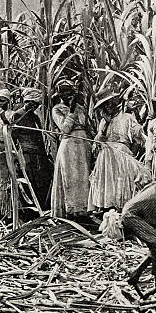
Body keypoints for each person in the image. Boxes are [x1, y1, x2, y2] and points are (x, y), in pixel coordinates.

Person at [88, 89, 150, 212]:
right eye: (105, 104)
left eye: (110, 102)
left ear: (115, 101)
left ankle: (122, 208)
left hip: (122, 155)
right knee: (106, 157)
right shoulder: (103, 122)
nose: (108, 106)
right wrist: (105, 124)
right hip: (106, 157)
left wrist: (139, 117)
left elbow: (139, 135)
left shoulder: (126, 117)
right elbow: (97, 143)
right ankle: (108, 208)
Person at [120, 177, 156, 298]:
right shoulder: (128, 217)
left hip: (141, 208)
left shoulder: (130, 209)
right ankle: (155, 286)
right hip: (131, 216)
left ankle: (136, 273)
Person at [50, 80, 92, 219]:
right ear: (59, 93)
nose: (67, 94)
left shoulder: (81, 107)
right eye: (64, 91)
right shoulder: (57, 109)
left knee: (83, 176)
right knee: (70, 176)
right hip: (69, 145)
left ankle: (83, 211)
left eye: (69, 91)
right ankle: (71, 211)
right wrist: (72, 111)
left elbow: (87, 125)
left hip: (82, 143)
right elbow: (65, 129)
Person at [11, 88, 54, 211]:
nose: (33, 106)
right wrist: (16, 157)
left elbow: (39, 136)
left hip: (39, 154)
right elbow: (13, 137)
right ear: (25, 101)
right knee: (30, 181)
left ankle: (42, 208)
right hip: (26, 154)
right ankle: (30, 211)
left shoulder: (35, 117)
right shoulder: (18, 115)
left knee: (42, 181)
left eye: (36, 104)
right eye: (31, 103)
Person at [0, 88, 13, 220]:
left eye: (2, 100)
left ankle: (8, 212)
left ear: (8, 101)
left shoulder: (11, 114)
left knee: (6, 178)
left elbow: (9, 127)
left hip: (6, 147)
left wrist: (2, 115)